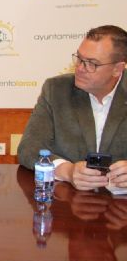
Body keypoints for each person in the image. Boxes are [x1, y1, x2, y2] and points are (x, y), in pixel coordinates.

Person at [18, 25, 127, 191]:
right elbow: (28, 148)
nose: (80, 68)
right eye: (79, 58)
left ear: (117, 69)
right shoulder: (56, 90)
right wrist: (67, 171)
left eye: (91, 63)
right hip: (68, 198)